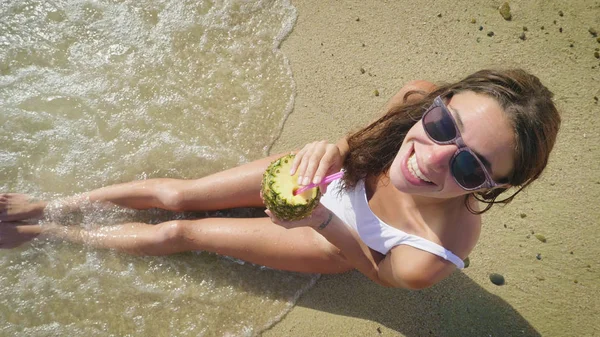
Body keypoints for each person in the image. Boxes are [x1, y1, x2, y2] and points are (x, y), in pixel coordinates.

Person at [0, 68, 560, 289]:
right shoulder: (413, 101)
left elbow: (378, 269)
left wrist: (320, 218)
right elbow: (356, 144)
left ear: (490, 187)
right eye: (442, 124)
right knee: (178, 194)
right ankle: (46, 206)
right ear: (436, 104)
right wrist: (329, 151)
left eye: (468, 166)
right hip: (336, 176)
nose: (431, 158)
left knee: (181, 232)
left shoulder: (429, 255)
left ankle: (48, 234)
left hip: (348, 240)